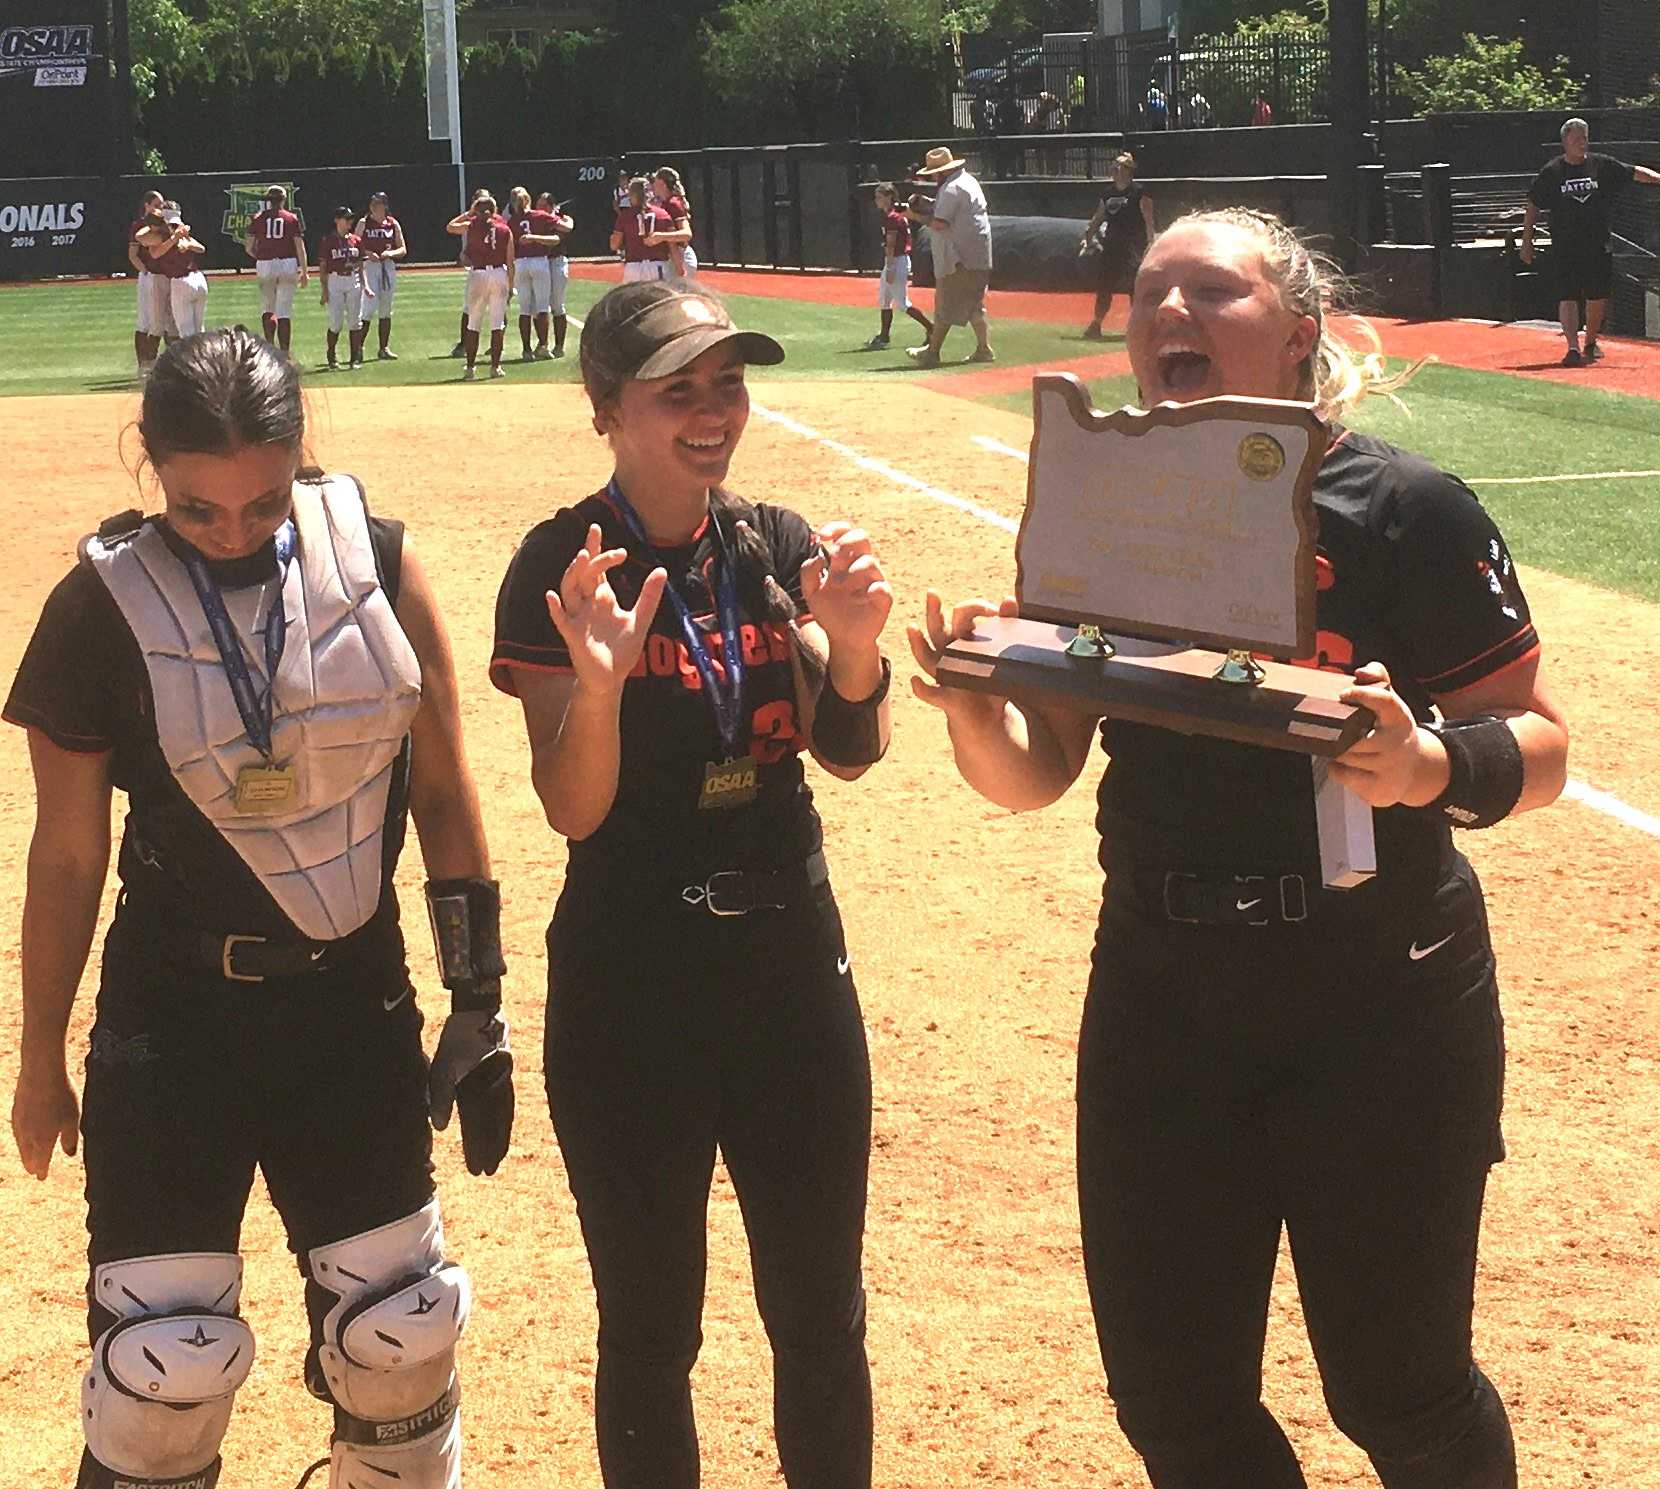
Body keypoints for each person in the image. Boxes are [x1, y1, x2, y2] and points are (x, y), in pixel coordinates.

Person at [909, 206, 1570, 1489]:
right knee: (1172, 1399)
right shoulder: (1105, 509)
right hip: (1164, 990)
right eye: (1151, 292)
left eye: (1210, 293)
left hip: (1376, 995)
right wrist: (975, 710)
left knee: (1401, 1392)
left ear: (1297, 335)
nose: (1168, 315)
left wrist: (1429, 763)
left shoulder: (1402, 507)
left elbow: (1538, 742)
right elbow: (1036, 771)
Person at [5, 327, 514, 1489]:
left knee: (402, 1342)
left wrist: (476, 1000)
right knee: (161, 1377)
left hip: (351, 1007)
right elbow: (69, 853)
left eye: (263, 502)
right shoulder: (98, 607)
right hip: (173, 1021)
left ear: (302, 457)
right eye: (196, 508)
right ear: (150, 465)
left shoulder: (375, 559)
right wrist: (41, 1057)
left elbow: (440, 784)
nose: (231, 532)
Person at [489, 280, 894, 1489]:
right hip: (632, 974)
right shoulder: (560, 564)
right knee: (652, 1326)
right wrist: (601, 686)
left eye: (727, 383)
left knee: (821, 1314)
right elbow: (573, 806)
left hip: (786, 963)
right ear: (607, 408)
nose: (712, 413)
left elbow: (851, 748)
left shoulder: (774, 542)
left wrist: (857, 647)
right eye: (678, 391)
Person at [1521, 117, 1660, 366]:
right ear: (1565, 142)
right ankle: (1572, 347)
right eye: (1576, 139)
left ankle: (1590, 342)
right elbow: (1532, 204)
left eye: (1584, 138)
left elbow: (1632, 172)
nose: (1581, 143)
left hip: (1597, 244)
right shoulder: (1552, 172)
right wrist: (1526, 240)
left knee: (1597, 297)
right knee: (1567, 296)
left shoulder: (1600, 165)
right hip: (1565, 247)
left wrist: (1659, 178)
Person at [902, 146, 994, 368]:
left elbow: (940, 223)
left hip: (958, 257)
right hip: (978, 255)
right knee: (974, 305)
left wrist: (912, 215)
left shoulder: (951, 189)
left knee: (944, 306)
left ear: (941, 172)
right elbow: (951, 211)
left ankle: (932, 352)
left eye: (934, 174)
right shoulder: (968, 181)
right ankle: (984, 349)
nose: (933, 178)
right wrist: (927, 203)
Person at [1080, 151, 1157, 340]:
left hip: (1133, 246)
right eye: (1114, 167)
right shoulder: (1108, 194)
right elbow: (1099, 217)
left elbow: (1149, 220)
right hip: (1112, 244)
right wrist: (1088, 236)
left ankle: (1138, 327)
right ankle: (1096, 324)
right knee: (1105, 285)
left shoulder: (1139, 192)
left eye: (1119, 167)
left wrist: (1150, 244)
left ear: (1128, 171)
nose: (1115, 170)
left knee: (1135, 287)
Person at [447, 189, 515, 381]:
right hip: (498, 273)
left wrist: (469, 212)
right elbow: (510, 261)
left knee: (473, 323)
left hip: (478, 273)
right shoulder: (504, 228)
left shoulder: (472, 225)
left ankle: (470, 368)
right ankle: (495, 367)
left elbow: (451, 227)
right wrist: (510, 285)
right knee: (497, 324)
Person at [864, 183, 934, 350]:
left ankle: (932, 328)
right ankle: (884, 336)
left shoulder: (893, 217)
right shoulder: (893, 215)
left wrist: (889, 268)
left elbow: (891, 244)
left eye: (879, 197)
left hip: (897, 261)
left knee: (902, 303)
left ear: (888, 198)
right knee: (884, 300)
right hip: (895, 260)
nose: (876, 201)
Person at [245, 184, 309, 356]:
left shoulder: (258, 218)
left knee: (267, 308)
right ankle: (285, 352)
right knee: (284, 310)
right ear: (283, 200)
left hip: (265, 264)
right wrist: (304, 269)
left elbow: (248, 247)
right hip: (287, 263)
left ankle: (269, 348)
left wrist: (259, 256)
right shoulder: (291, 218)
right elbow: (299, 246)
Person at [508, 185, 564, 361]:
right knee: (542, 306)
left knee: (525, 309)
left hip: (521, 263)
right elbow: (562, 231)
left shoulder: (512, 221)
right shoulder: (540, 216)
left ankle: (526, 349)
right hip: (539, 261)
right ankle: (543, 346)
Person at [141, 200, 210, 342]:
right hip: (198, 280)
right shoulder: (167, 235)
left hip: (183, 281)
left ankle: (194, 362)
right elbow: (149, 246)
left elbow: (201, 248)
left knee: (187, 333)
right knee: (199, 330)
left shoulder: (176, 233)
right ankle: (203, 360)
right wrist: (176, 239)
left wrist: (187, 244)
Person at [357, 191, 408, 362]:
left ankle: (383, 348)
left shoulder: (392, 224)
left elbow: (403, 249)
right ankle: (358, 347)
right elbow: (354, 245)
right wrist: (368, 253)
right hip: (370, 266)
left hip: (387, 265)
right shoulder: (364, 223)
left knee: (386, 308)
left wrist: (390, 253)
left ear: (384, 205)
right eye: (373, 203)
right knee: (368, 307)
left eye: (378, 203)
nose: (374, 206)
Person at [316, 205, 369, 371]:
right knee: (336, 322)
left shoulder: (356, 240)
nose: (350, 222)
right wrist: (324, 291)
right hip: (335, 280)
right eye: (346, 219)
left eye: (351, 219)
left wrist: (365, 285)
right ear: (337, 220)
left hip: (353, 279)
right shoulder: (328, 241)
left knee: (355, 321)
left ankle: (355, 358)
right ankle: (332, 355)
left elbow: (361, 266)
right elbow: (323, 267)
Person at [128, 189, 173, 376]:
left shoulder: (165, 224)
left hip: (168, 275)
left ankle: (170, 365)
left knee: (169, 321)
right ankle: (144, 366)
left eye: (161, 205)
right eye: (155, 205)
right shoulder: (140, 225)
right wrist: (145, 271)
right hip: (150, 275)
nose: (159, 209)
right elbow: (133, 255)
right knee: (146, 322)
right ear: (146, 206)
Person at [538, 190, 576, 357]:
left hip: (557, 261)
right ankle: (542, 343)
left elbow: (565, 231)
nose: (540, 208)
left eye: (544, 206)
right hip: (540, 261)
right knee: (539, 304)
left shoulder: (562, 219)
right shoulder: (535, 219)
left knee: (557, 304)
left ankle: (559, 346)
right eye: (538, 205)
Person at [611, 178, 669, 284]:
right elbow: (672, 245)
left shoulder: (625, 216)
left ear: (632, 195)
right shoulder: (662, 214)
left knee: (633, 299)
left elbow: (614, 245)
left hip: (634, 267)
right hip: (657, 264)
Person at [651, 167, 699, 280]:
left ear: (662, 183)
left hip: (682, 258)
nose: (653, 185)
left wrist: (661, 237)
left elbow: (686, 234)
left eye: (655, 181)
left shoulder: (673, 204)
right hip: (673, 258)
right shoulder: (665, 203)